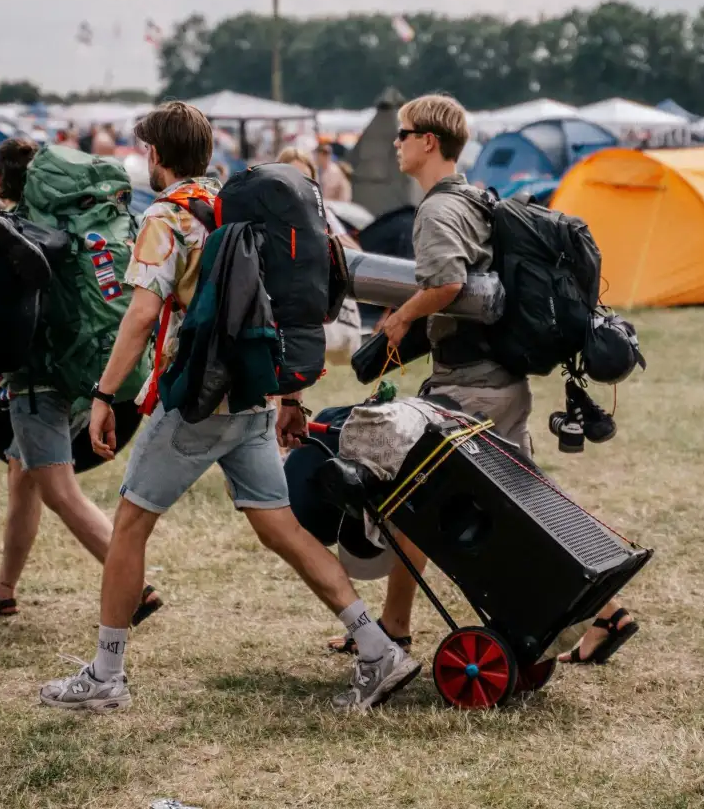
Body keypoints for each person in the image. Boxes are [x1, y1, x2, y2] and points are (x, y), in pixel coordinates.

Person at [36, 101, 419, 714]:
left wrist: (105, 395)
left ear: (155, 156)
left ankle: (106, 675)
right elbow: (274, 306)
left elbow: (140, 316)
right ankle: (377, 650)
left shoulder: (167, 217)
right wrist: (290, 395)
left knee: (130, 526)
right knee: (281, 528)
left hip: (198, 398)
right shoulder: (236, 205)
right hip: (254, 393)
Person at [369, 94, 638, 666]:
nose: (395, 143)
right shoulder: (476, 198)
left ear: (428, 142)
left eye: (402, 134)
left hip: (469, 384)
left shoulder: (439, 211)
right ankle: (608, 614)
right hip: (501, 379)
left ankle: (392, 632)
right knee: (525, 508)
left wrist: (401, 319)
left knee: (414, 499)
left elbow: (444, 284)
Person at [0, 138, 164, 625]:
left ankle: (134, 588)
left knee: (58, 490)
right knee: (23, 475)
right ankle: (3, 589)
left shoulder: (7, 230)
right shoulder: (67, 222)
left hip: (39, 377)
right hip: (84, 365)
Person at [278, 145, 363, 363]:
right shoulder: (267, 211)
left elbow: (354, 251)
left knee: (296, 375)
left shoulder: (322, 212)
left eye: (305, 178)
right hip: (276, 309)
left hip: (307, 309)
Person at [314, 137, 353, 203]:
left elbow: (345, 193)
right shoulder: (315, 169)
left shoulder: (336, 172)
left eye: (327, 154)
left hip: (333, 207)